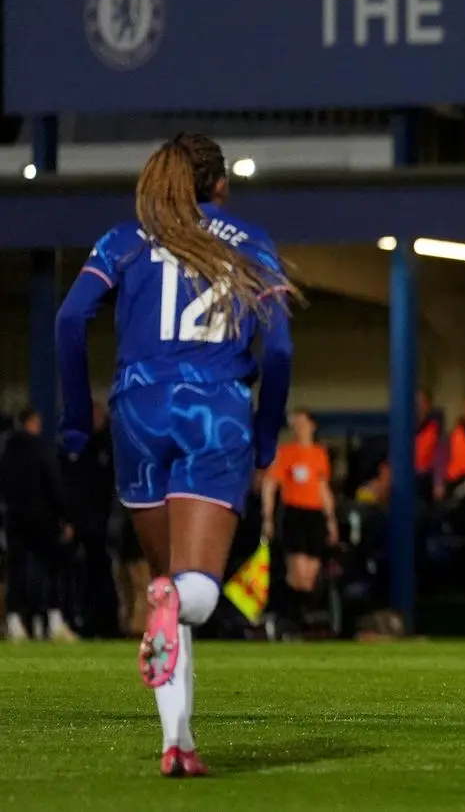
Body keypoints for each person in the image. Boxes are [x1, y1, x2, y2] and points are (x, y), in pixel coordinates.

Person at [55, 132, 297, 776]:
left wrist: (77, 420)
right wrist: (267, 433)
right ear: (219, 185)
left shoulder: (125, 238)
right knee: (195, 591)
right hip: (213, 413)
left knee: (165, 582)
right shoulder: (249, 241)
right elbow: (278, 349)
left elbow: (69, 320)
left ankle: (178, 744)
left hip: (136, 414)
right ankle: (174, 615)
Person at [0, 407, 77, 643]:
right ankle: (50, 620)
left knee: (17, 571)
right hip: (43, 520)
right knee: (49, 571)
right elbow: (54, 483)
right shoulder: (41, 448)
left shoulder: (7, 451)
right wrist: (65, 516)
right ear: (32, 422)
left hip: (14, 519)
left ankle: (15, 622)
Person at [261, 409, 337, 632]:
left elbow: (323, 488)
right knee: (297, 571)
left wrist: (330, 518)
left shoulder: (319, 454)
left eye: (302, 423)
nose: (299, 428)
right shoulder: (286, 452)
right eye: (295, 424)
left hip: (314, 515)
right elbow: (270, 485)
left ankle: (304, 616)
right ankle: (294, 619)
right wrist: (268, 517)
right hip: (294, 513)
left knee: (311, 573)